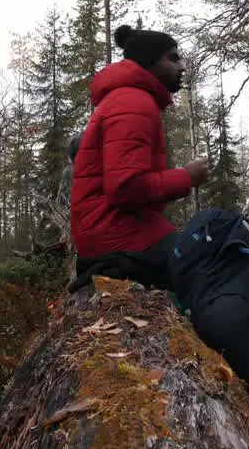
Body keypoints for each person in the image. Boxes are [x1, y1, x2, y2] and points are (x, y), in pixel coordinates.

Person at [68, 24, 211, 292]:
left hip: (120, 231)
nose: (182, 67)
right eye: (173, 58)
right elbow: (126, 187)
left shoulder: (131, 99)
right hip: (116, 240)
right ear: (150, 62)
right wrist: (187, 177)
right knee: (217, 262)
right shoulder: (133, 103)